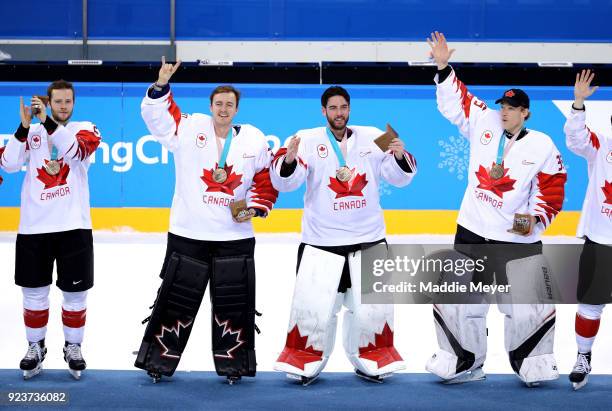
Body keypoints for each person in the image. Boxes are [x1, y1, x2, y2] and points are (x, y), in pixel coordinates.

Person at [425, 32, 567, 386]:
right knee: (461, 300)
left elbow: (552, 192)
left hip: (514, 242)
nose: (504, 111)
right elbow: (455, 101)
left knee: (523, 305)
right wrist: (443, 66)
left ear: (525, 113)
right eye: (502, 106)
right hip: (472, 230)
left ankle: (531, 362)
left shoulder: (543, 145)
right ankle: (464, 360)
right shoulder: (483, 120)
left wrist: (534, 220)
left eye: (512, 108)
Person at [134, 57, 278, 384]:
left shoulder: (254, 139)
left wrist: (255, 207)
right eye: (218, 103)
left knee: (234, 304)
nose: (223, 109)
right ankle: (158, 361)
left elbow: (265, 181)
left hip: (234, 237)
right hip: (188, 234)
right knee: (175, 300)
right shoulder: (189, 127)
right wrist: (160, 86)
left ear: (237, 109)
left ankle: (234, 365)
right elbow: (158, 119)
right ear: (210, 106)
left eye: (229, 104)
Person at [270, 85, 417, 385]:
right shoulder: (305, 139)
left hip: (368, 238)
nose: (339, 113)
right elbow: (286, 182)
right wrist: (288, 160)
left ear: (350, 109)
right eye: (333, 108)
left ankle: (372, 356)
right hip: (322, 242)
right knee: (315, 309)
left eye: (344, 107)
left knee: (371, 310)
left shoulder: (376, 134)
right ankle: (306, 358)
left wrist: (400, 155)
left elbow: (400, 177)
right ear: (323, 111)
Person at [0, 80, 101, 380]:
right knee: (33, 293)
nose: (63, 106)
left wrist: (46, 123)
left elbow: (77, 152)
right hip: (34, 228)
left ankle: (73, 346)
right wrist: (22, 128)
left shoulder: (86, 128)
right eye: (57, 101)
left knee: (75, 293)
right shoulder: (30, 132)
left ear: (73, 103)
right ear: (48, 101)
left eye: (67, 101)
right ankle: (35, 347)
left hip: (74, 226)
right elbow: (8, 163)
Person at [563, 69, 612, 390]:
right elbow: (576, 138)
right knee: (590, 303)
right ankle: (583, 356)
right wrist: (579, 103)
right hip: (600, 242)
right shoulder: (601, 148)